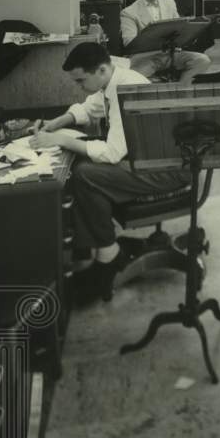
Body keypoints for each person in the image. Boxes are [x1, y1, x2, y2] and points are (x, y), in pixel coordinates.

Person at [29, 42, 190, 303]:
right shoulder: (112, 80)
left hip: (169, 169)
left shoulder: (127, 88)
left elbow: (113, 152)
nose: (79, 86)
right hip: (151, 159)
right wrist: (57, 123)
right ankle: (104, 248)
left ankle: (108, 255)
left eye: (81, 80)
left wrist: (62, 140)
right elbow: (90, 106)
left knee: (86, 174)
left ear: (102, 70)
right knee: (86, 168)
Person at [119, 0, 211, 84]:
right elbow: (129, 42)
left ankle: (180, 89)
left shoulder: (169, 3)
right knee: (133, 78)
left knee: (202, 60)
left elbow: (179, 28)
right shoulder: (129, 12)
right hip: (146, 58)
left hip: (170, 54)